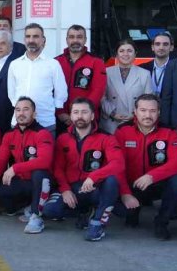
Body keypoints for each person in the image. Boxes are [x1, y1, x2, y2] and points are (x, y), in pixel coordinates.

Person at [43, 98, 125, 242]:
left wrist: (94, 176)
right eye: (76, 112)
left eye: (84, 112)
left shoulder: (106, 138)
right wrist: (65, 189)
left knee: (112, 180)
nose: (80, 116)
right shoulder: (63, 138)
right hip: (73, 188)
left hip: (95, 188)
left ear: (92, 116)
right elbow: (58, 168)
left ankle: (97, 222)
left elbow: (118, 164)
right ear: (71, 115)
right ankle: (84, 213)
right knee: (50, 211)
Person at [114, 94, 177, 240]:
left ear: (158, 112)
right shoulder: (122, 131)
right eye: (143, 110)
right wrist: (125, 193)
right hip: (132, 185)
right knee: (124, 214)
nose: (148, 115)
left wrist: (152, 176)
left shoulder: (169, 132)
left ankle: (162, 221)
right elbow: (116, 164)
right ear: (135, 111)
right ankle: (133, 210)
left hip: (156, 183)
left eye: (152, 111)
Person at [0, 97, 54, 234]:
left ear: (34, 114)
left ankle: (36, 217)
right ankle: (28, 206)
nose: (21, 113)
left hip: (41, 182)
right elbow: (0, 160)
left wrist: (14, 168)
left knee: (39, 173)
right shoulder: (9, 134)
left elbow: (45, 161)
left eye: (26, 109)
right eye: (18, 110)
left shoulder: (42, 133)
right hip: (22, 182)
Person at [6, 23, 67, 134]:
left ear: (43, 40)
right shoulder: (14, 64)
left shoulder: (53, 64)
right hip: (19, 122)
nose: (31, 40)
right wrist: (21, 110)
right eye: (28, 36)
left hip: (45, 122)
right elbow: (11, 92)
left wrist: (51, 109)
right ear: (24, 40)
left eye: (35, 36)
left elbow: (61, 92)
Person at [54, 24, 106, 133]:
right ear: (67, 39)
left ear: (85, 40)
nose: (75, 40)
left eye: (79, 37)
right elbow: (51, 90)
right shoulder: (56, 62)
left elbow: (98, 91)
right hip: (60, 118)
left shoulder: (96, 62)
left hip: (86, 119)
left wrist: (81, 113)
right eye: (72, 37)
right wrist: (60, 112)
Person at [100, 39, 153, 133]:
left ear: (135, 53)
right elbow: (101, 97)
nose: (125, 54)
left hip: (135, 122)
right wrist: (112, 113)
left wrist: (135, 114)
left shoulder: (145, 74)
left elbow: (148, 100)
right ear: (116, 54)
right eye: (121, 51)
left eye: (129, 51)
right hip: (111, 122)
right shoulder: (106, 72)